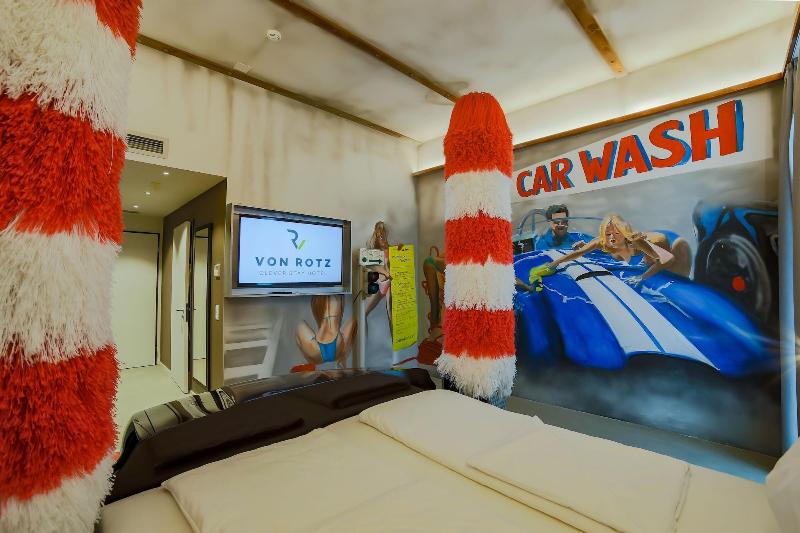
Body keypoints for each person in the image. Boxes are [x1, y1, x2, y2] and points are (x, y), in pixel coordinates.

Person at [545, 213, 691, 284]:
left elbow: (668, 259)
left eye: (616, 233)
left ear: (624, 233)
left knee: (666, 272)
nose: (612, 238)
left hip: (666, 245)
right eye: (608, 234)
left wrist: (641, 277)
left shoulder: (635, 241)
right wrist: (554, 263)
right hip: (649, 250)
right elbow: (577, 254)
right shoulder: (602, 242)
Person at [293, 295, 357, 372]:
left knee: (300, 324)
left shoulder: (319, 300)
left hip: (317, 351)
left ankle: (311, 361)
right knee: (355, 319)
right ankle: (341, 361)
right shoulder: (339, 299)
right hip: (336, 347)